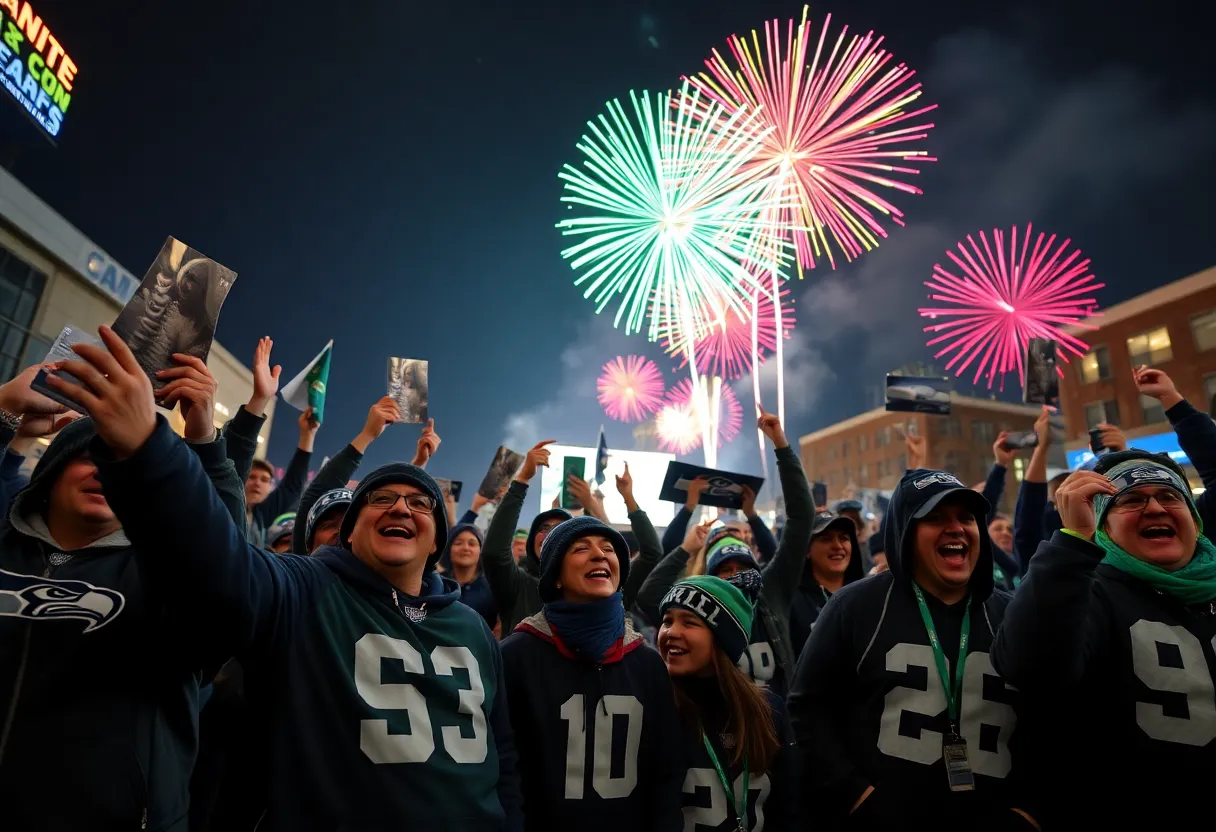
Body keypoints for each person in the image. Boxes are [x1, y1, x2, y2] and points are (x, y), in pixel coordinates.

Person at [43, 326, 522, 831]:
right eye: (379, 500)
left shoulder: (470, 626)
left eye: (419, 504)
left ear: (435, 542)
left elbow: (503, 753)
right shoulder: (301, 590)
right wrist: (147, 448)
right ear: (350, 537)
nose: (400, 506)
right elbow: (215, 558)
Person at [0, 352, 245, 831]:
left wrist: (205, 444)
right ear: (50, 471)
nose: (100, 470)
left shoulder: (166, 572)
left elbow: (225, 571)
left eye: (116, 461)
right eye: (85, 457)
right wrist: (2, 409)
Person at [788, 467, 1036, 831]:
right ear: (905, 532)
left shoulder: (1012, 613)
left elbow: (1047, 719)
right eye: (934, 517)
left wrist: (1029, 810)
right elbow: (808, 707)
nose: (955, 528)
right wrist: (856, 795)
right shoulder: (854, 607)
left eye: (966, 517)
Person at [993, 451, 1216, 827]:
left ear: (1194, 520)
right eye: (1130, 499)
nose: (1156, 508)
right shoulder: (1087, 592)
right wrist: (1073, 542)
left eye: (1170, 496)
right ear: (1103, 528)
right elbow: (1030, 667)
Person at [500, 515, 685, 832]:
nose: (600, 555)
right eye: (581, 548)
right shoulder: (516, 655)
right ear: (555, 574)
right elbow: (505, 769)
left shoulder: (647, 663)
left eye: (609, 548)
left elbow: (666, 772)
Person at [637, 411, 814, 698]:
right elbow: (648, 596)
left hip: (778, 734)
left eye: (743, 567)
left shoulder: (771, 593)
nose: (736, 576)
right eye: (725, 570)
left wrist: (781, 445)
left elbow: (801, 519)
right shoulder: (701, 605)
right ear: (710, 577)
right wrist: (685, 549)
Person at [658, 576, 798, 831]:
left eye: (689, 622)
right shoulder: (655, 706)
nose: (672, 632)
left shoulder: (767, 709)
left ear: (723, 640)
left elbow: (789, 806)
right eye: (667, 620)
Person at [483, 445, 661, 634]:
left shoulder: (602, 585)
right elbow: (494, 552)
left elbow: (651, 552)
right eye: (544, 529)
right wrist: (522, 480)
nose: (551, 534)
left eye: (560, 529)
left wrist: (627, 497)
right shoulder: (519, 586)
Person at [290, 396, 443, 554]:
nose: (340, 533)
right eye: (328, 525)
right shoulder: (297, 576)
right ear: (307, 541)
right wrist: (367, 434)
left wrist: (419, 462)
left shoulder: (379, 577)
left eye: (351, 524)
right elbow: (318, 491)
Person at [222, 336, 318, 546]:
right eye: (252, 477)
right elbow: (237, 451)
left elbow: (292, 487)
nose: (257, 483)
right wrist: (259, 399)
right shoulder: (220, 504)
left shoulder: (260, 516)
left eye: (265, 480)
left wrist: (307, 435)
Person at [789, 510, 864, 656]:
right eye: (826, 539)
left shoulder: (866, 595)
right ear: (807, 551)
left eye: (843, 538)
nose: (837, 546)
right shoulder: (792, 601)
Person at [440, 522, 498, 629]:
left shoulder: (493, 588)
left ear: (481, 551)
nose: (465, 548)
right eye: (458, 543)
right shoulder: (437, 584)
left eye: (472, 544)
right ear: (448, 549)